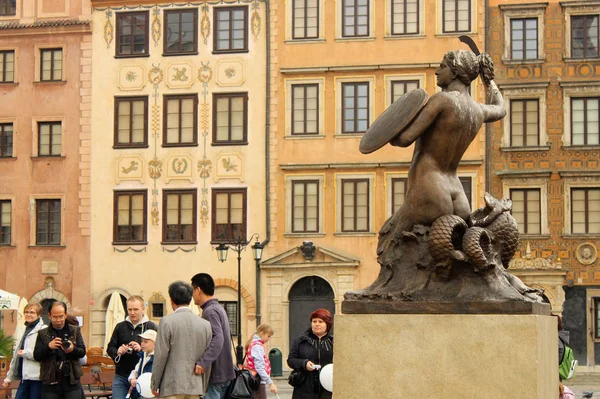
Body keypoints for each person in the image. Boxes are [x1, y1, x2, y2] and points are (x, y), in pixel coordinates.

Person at [368, 49, 506, 289]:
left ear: (454, 72)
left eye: (442, 66)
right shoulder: (477, 110)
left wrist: (392, 122)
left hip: (429, 183)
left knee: (392, 236)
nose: (436, 70)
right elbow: (500, 108)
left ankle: (381, 289)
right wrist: (488, 79)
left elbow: (404, 139)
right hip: (456, 190)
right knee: (457, 244)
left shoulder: (442, 100)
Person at [151, 281, 212, 398]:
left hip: (171, 385)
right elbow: (207, 357)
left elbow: (161, 355)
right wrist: (204, 385)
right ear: (190, 300)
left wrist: (155, 383)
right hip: (196, 385)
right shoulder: (205, 325)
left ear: (171, 300)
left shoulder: (166, 322)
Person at [191, 273, 235, 398]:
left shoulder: (210, 311)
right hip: (224, 372)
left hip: (217, 374)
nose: (192, 295)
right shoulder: (217, 308)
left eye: (192, 290)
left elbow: (218, 338)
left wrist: (203, 362)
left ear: (198, 290)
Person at [107, 295, 158, 399]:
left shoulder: (151, 326)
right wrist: (118, 351)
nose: (132, 312)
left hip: (142, 377)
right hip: (121, 375)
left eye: (135, 309)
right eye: (129, 309)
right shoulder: (120, 327)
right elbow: (110, 348)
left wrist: (141, 349)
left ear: (143, 309)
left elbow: (159, 349)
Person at [33, 301, 86, 399]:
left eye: (61, 316)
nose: (58, 320)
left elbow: (82, 352)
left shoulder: (75, 330)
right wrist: (48, 346)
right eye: (55, 317)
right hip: (50, 381)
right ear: (49, 316)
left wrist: (72, 350)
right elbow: (36, 355)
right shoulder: (42, 333)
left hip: (71, 380)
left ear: (65, 315)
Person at [3, 303, 46, 399]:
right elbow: (16, 356)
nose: (28, 314)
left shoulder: (44, 330)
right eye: (26, 312)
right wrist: (8, 378)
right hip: (24, 376)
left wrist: (27, 353)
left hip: (37, 377)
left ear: (38, 315)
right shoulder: (23, 329)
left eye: (32, 312)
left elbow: (44, 353)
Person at [287, 309, 333, 399]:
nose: (317, 324)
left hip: (327, 389)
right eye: (314, 321)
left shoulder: (334, 342)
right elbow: (291, 360)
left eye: (320, 321)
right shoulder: (301, 341)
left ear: (327, 324)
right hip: (304, 388)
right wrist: (304, 363)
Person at [245, 324, 277, 399]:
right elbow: (259, 367)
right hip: (258, 381)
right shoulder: (257, 347)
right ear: (262, 333)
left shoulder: (255, 344)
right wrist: (270, 383)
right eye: (268, 336)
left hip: (255, 380)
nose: (268, 339)